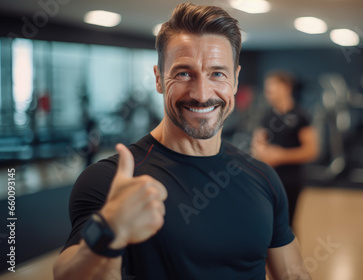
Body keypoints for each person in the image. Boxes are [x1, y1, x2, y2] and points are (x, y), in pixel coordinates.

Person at [53, 4, 311, 279]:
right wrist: (107, 230)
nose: (201, 94)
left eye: (217, 74)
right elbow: (67, 274)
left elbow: (293, 275)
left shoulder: (263, 178)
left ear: (235, 80)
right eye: (184, 73)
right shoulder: (111, 180)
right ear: (158, 79)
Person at [252, 71, 318, 227]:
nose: (269, 93)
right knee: (268, 224)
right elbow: (258, 140)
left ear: (286, 88)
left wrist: (280, 156)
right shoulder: (267, 115)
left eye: (272, 88)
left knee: (287, 225)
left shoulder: (301, 116)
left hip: (291, 180)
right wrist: (260, 150)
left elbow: (311, 151)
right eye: (267, 90)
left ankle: (289, 252)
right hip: (269, 178)